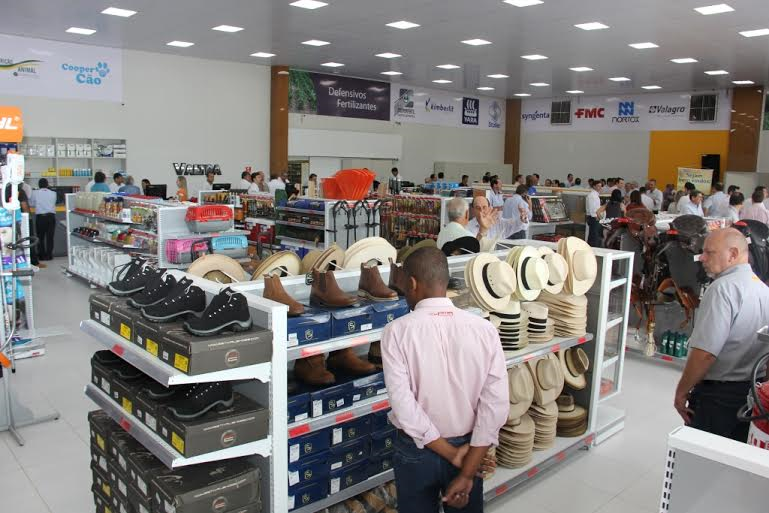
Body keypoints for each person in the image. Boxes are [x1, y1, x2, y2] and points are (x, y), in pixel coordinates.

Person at [382, 247, 508, 513]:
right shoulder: (485, 330)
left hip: (417, 451)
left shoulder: (396, 332)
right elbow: (495, 406)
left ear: (412, 283)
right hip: (469, 449)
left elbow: (403, 405)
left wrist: (451, 454)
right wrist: (466, 470)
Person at [674, 228, 769, 442]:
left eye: (710, 253)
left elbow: (705, 354)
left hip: (718, 398)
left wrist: (682, 392)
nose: (703, 259)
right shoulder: (763, 289)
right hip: (751, 394)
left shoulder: (722, 289)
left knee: (701, 459)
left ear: (733, 254)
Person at [30, 178, 57, 261]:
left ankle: (41, 256)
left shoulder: (35, 193)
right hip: (51, 217)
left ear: (39, 185)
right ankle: (49, 255)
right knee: (50, 237)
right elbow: (54, 202)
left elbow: (31, 204)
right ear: (47, 184)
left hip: (41, 217)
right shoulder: (53, 193)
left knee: (40, 237)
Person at [586, 180, 603, 247]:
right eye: (598, 186)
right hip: (593, 217)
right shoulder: (592, 195)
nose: (600, 187)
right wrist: (596, 217)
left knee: (593, 235)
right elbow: (592, 208)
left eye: (601, 186)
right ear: (594, 186)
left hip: (595, 216)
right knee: (594, 236)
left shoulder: (595, 195)